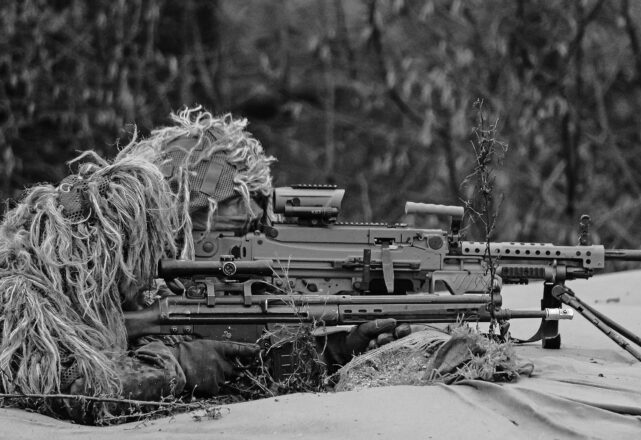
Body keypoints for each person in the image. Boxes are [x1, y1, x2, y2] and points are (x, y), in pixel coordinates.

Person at [0, 107, 402, 424]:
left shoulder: (153, 275)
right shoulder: (81, 237)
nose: (234, 253)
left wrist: (335, 349)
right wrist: (183, 366)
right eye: (232, 231)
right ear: (184, 212)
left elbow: (233, 353)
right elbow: (69, 383)